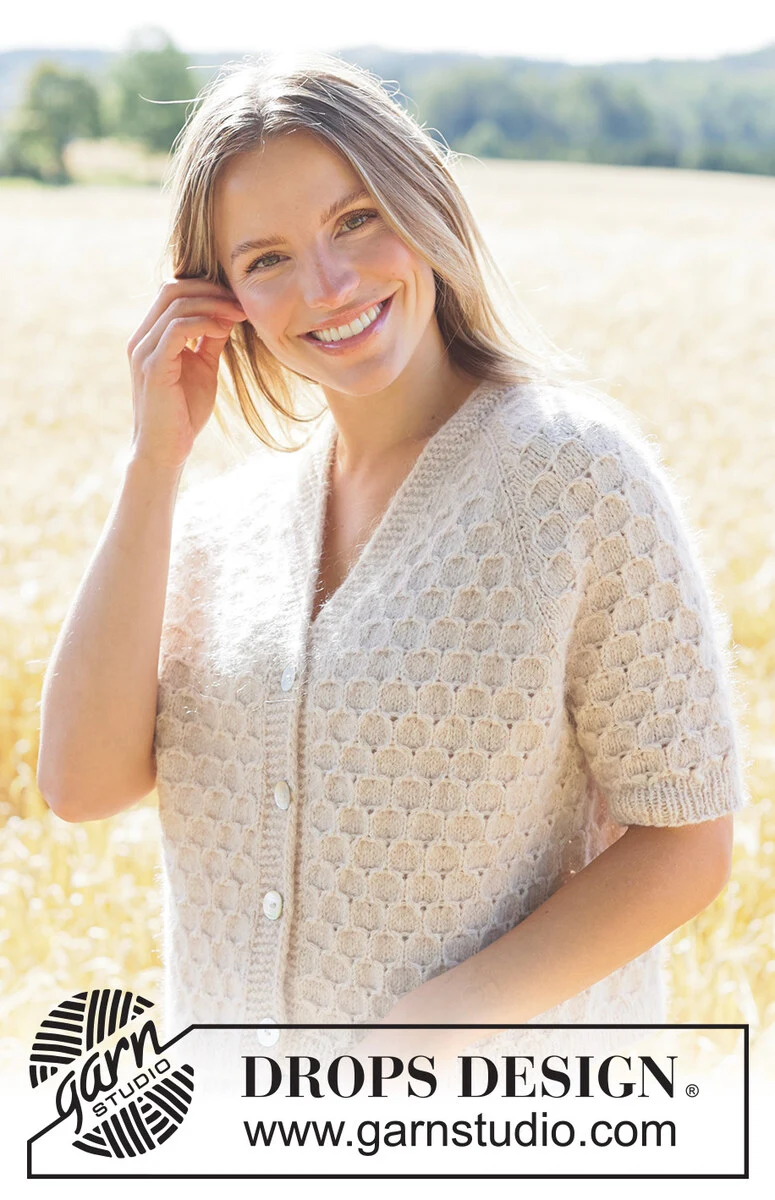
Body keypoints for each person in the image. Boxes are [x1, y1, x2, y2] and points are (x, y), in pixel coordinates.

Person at [37, 52, 749, 1075]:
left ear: (422, 204)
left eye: (355, 220)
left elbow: (686, 836)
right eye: (266, 259)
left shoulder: (569, 475)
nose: (328, 286)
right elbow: (80, 783)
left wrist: (433, 1029)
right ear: (218, 297)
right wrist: (155, 463)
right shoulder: (217, 530)